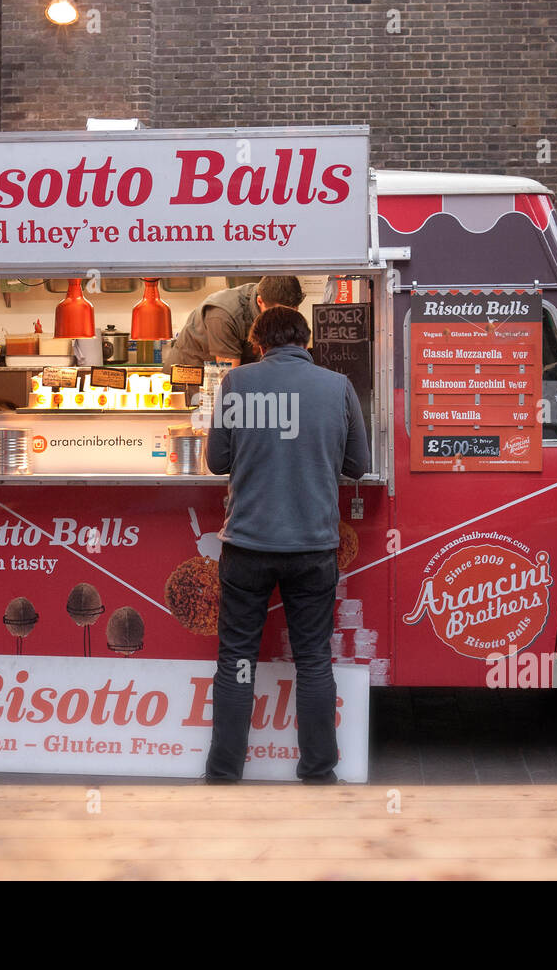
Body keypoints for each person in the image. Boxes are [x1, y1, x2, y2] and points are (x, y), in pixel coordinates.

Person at [204, 305, 370, 784]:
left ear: (258, 344)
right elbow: (358, 465)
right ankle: (318, 771)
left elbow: (216, 461)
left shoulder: (236, 384)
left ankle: (223, 770)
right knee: (314, 660)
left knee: (237, 659)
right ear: (306, 342)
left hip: (247, 547)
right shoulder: (337, 387)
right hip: (313, 547)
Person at [163, 275, 304, 371]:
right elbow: (229, 377)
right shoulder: (224, 315)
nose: (285, 321)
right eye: (278, 314)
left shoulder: (270, 298)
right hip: (190, 384)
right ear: (260, 301)